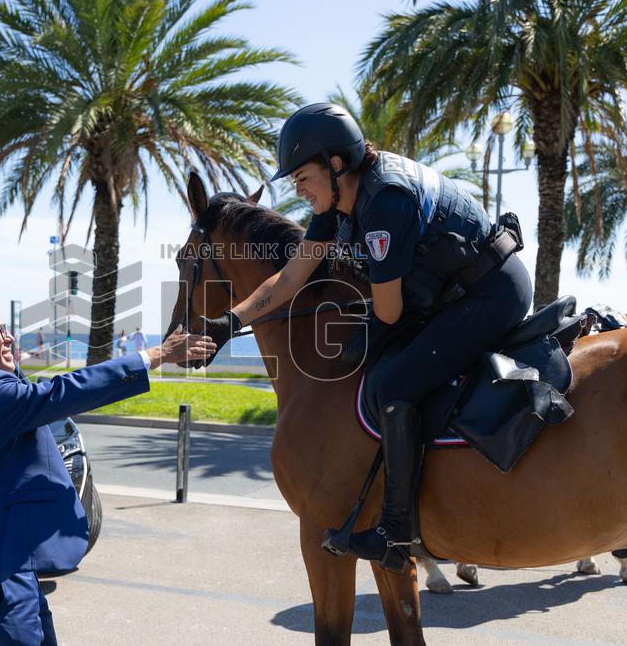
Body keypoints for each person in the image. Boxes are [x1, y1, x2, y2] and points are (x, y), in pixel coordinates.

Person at [198, 103, 532, 571]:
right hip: (454, 291)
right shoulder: (336, 202)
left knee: (392, 385)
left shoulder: (385, 203)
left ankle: (396, 532)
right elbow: (291, 278)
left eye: (302, 177)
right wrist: (229, 322)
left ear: (336, 165)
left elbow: (390, 311)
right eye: (293, 181)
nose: (297, 189)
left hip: (491, 293)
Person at [0, 302, 215, 645]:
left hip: (0, 561)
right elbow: (64, 391)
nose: (8, 338)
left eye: (6, 329)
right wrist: (155, 354)